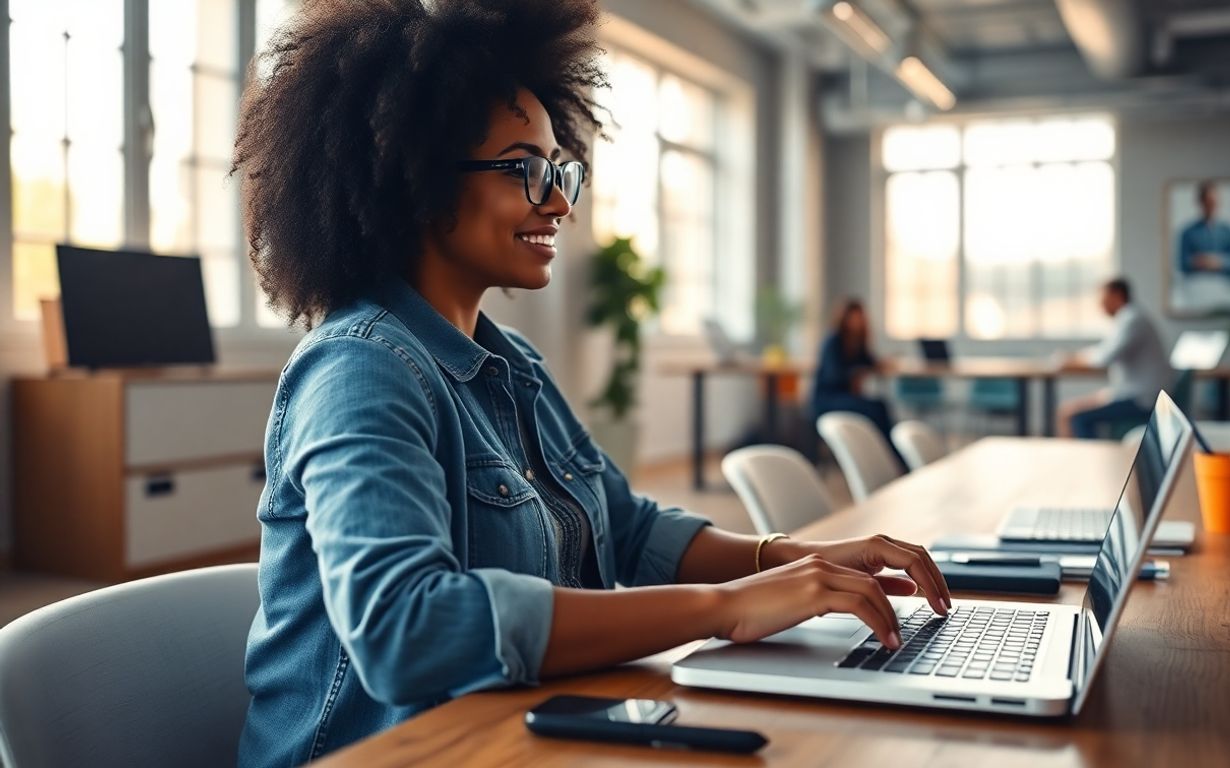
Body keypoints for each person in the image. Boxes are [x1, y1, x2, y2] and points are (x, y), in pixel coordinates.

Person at [231, 2, 950, 764]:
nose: (560, 202)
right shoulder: (361, 367)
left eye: (560, 169)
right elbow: (407, 630)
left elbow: (627, 528)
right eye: (526, 170)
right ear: (414, 177)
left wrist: (796, 560)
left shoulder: (509, 364)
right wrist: (727, 608)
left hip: (507, 733)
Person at [1056, 278, 1172, 439]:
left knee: (1075, 416)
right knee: (1066, 410)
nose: (1100, 305)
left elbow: (1105, 356)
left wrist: (1074, 359)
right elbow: (1103, 350)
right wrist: (1077, 357)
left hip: (1141, 399)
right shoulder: (1127, 318)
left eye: (1103, 299)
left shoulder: (1133, 320)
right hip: (1129, 393)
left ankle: (1090, 457)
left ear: (1117, 296)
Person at [811, 299, 895, 441]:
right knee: (874, 410)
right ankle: (885, 451)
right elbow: (833, 375)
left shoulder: (857, 342)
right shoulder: (833, 342)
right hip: (828, 398)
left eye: (859, 317)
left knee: (880, 405)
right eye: (853, 317)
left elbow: (870, 362)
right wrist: (856, 373)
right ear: (845, 318)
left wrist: (882, 364)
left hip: (847, 397)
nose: (857, 321)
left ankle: (889, 452)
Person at [1177, 181, 1230, 277]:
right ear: (1200, 202)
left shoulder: (1228, 230)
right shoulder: (1188, 232)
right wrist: (1197, 261)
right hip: (1196, 283)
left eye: (1213, 202)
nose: (1211, 206)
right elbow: (1182, 263)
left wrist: (1220, 262)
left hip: (1223, 284)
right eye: (1207, 202)